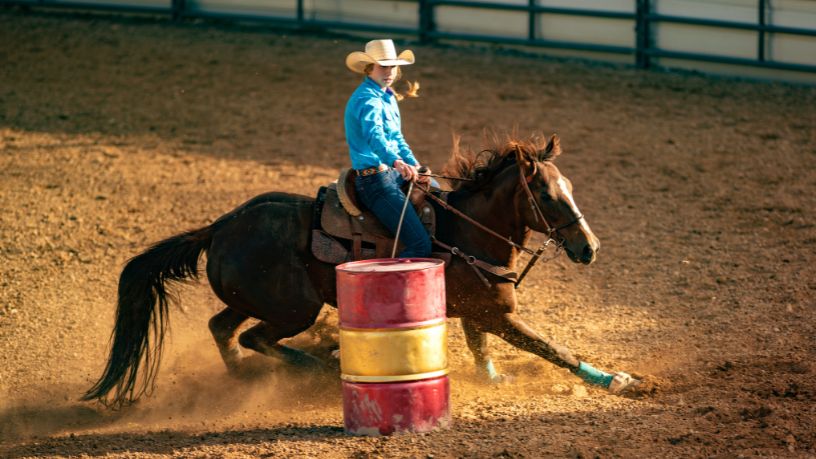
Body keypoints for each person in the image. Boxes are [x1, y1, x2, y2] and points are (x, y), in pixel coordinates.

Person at [344, 39, 432, 258]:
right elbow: (375, 137)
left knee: (440, 194)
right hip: (376, 180)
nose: (389, 71)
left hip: (393, 173)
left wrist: (414, 164)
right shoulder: (367, 99)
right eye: (383, 66)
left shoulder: (388, 96)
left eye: (392, 66)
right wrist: (396, 161)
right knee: (420, 246)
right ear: (369, 68)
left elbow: (396, 137)